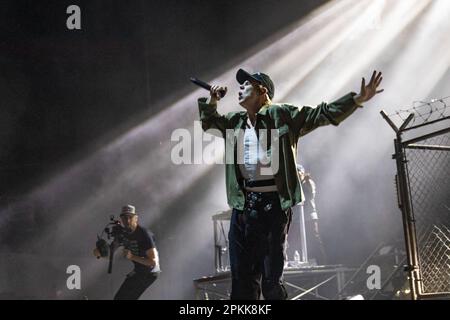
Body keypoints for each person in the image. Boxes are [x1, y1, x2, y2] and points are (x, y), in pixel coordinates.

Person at [198, 68, 383, 300]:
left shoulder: (281, 114)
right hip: (243, 209)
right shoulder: (235, 122)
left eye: (246, 85)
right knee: (242, 281)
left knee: (271, 281)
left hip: (272, 207)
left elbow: (319, 114)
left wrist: (356, 100)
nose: (240, 88)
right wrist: (212, 100)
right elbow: (209, 123)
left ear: (262, 90)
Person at [93, 205, 160, 300]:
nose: (127, 221)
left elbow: (152, 262)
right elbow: (110, 252)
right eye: (124, 217)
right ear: (121, 219)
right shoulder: (122, 233)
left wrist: (132, 257)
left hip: (149, 272)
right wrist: (100, 252)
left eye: (130, 217)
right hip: (138, 270)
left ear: (136, 218)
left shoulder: (144, 234)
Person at [286, 164, 327, 265]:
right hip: (296, 218)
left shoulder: (309, 183)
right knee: (292, 240)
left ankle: (322, 262)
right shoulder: (291, 185)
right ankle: (292, 262)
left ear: (303, 173)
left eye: (298, 172)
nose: (297, 175)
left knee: (314, 238)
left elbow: (309, 196)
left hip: (309, 217)